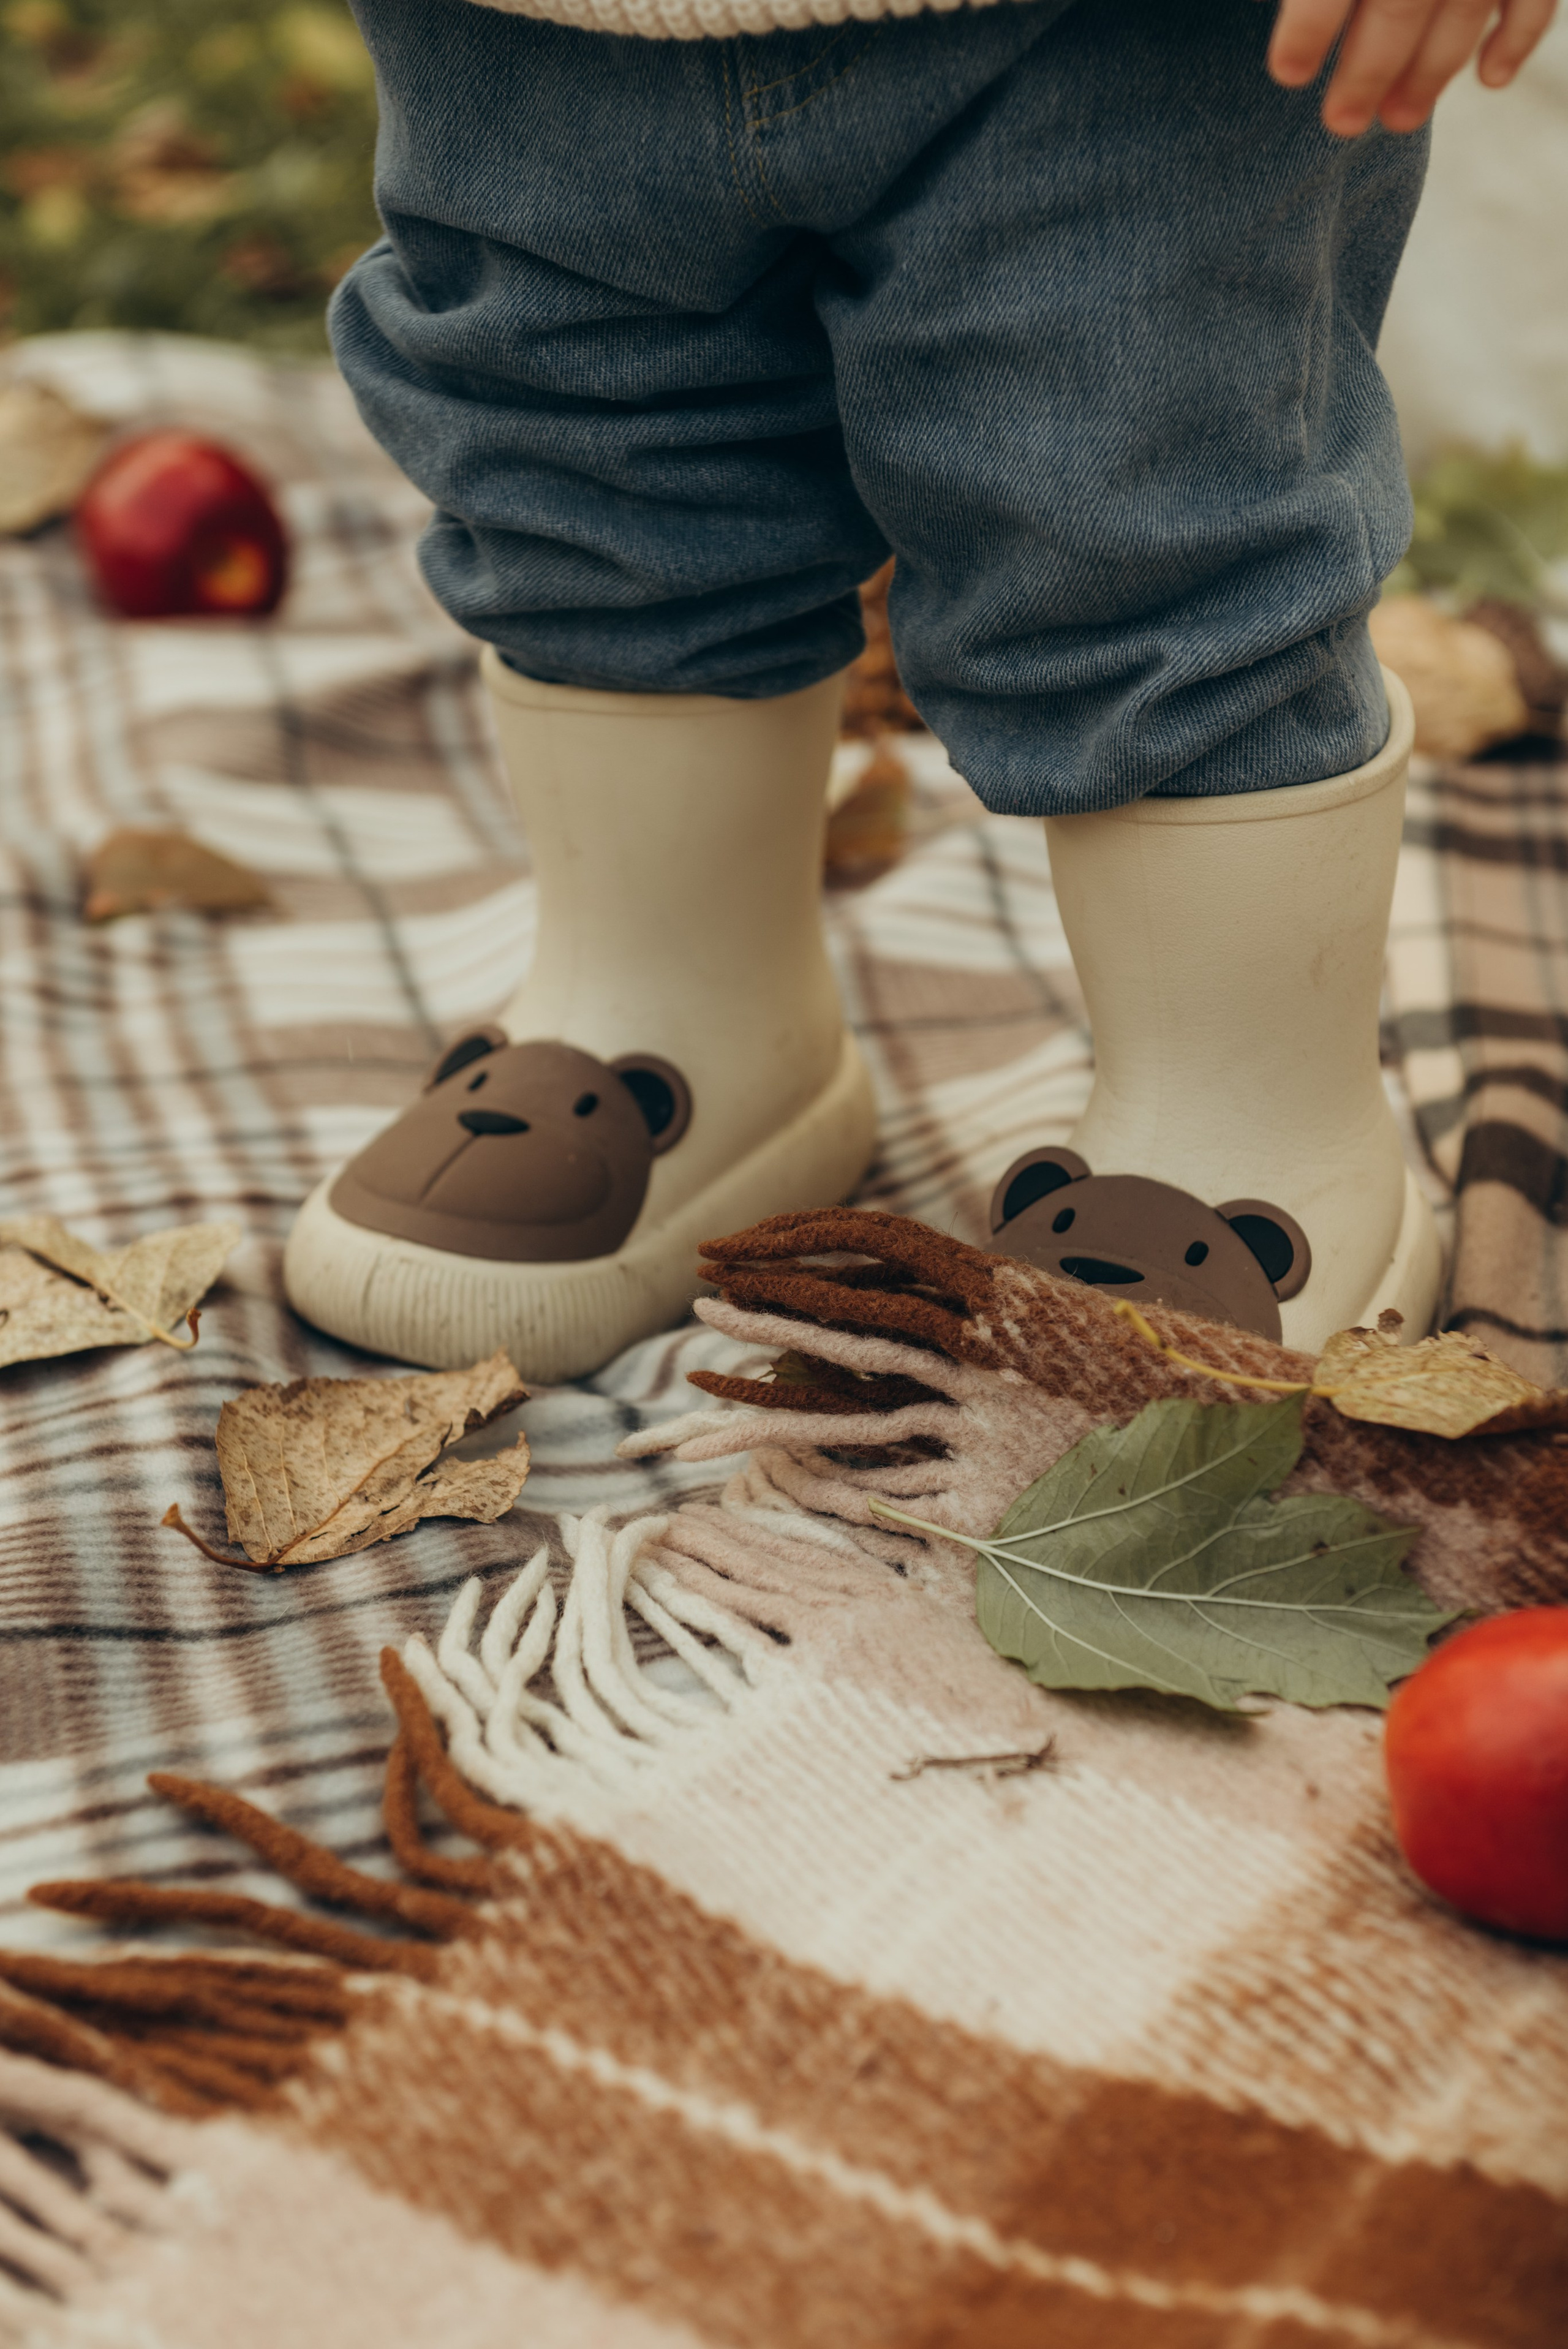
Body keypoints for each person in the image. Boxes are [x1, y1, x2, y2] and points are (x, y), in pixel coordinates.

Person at [283, 0, 1559, 1379]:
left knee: (1142, 488)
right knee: (580, 465)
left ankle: (1244, 1119)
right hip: (532, 30)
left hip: (1114, 43)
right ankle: (676, 1026)